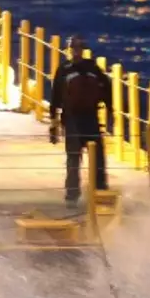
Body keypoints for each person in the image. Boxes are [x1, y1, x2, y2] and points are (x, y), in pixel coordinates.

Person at [49, 35, 113, 208]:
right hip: (82, 119)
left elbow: (55, 98)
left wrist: (53, 124)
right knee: (87, 159)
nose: (75, 51)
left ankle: (80, 194)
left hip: (79, 119)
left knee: (79, 158)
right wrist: (110, 113)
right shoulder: (92, 68)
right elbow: (107, 90)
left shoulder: (65, 69)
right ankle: (91, 192)